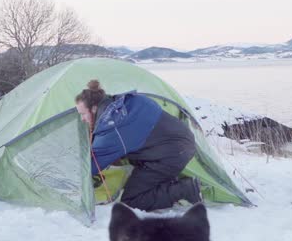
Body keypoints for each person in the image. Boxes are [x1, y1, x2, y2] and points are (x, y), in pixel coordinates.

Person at [75, 79, 203, 211]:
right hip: (179, 137)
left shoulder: (114, 130)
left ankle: (187, 189)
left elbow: (90, 166)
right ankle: (164, 181)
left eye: (83, 114)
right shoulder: (125, 101)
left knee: (132, 200)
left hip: (173, 154)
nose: (82, 119)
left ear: (94, 108)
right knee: (129, 159)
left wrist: (69, 176)